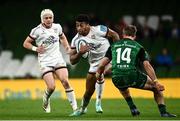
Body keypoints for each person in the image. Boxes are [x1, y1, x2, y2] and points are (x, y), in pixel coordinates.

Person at [96, 25, 176, 117]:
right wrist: (156, 81)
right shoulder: (138, 47)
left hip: (116, 78)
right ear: (134, 36)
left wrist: (99, 74)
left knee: (122, 85)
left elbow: (102, 64)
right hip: (131, 75)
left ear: (123, 34)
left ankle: (133, 108)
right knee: (155, 88)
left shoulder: (114, 46)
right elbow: (147, 65)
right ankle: (163, 112)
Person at [23, 9, 77, 114]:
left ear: (53, 18)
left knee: (65, 81)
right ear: (42, 19)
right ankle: (46, 98)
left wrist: (67, 48)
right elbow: (26, 43)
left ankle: (75, 109)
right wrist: (35, 49)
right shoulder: (36, 30)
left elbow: (62, 37)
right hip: (45, 61)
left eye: (50, 17)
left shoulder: (57, 27)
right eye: (46, 18)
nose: (48, 20)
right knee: (52, 87)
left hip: (57, 58)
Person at [70, 14, 119, 116]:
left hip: (108, 59)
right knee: (88, 91)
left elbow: (115, 35)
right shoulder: (75, 40)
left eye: (81, 25)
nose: (79, 28)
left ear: (88, 25)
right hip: (94, 64)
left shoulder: (99, 29)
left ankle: (98, 102)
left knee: (104, 71)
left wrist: (115, 53)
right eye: (77, 26)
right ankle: (83, 109)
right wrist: (80, 53)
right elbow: (72, 60)